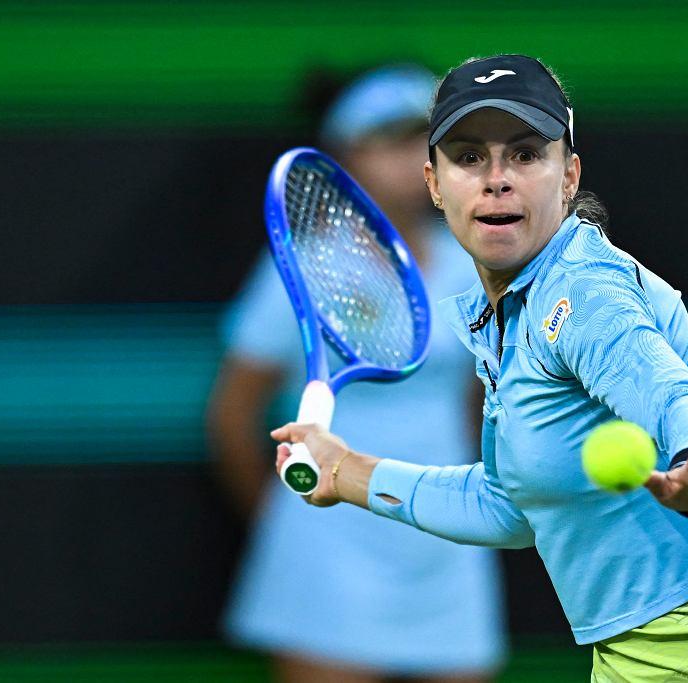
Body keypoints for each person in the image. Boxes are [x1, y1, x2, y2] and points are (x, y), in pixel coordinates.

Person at [272, 55, 688, 681]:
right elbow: (510, 505)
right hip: (644, 655)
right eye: (469, 157)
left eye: (525, 155)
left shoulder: (582, 292)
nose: (497, 179)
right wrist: (346, 469)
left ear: (569, 176)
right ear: (435, 183)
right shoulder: (504, 320)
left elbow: (665, 388)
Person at [207, 64, 507, 683]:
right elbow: (233, 415)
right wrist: (290, 527)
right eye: (391, 140)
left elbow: (482, 406)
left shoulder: (476, 264)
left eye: (430, 142)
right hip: (329, 546)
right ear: (346, 155)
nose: (416, 160)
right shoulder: (302, 265)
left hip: (445, 539)